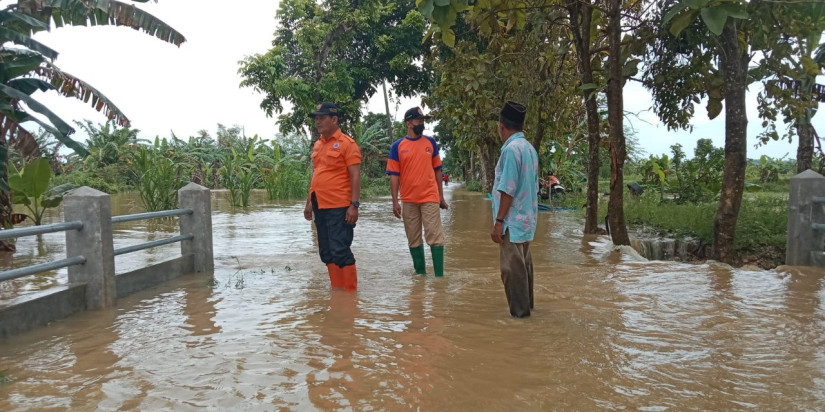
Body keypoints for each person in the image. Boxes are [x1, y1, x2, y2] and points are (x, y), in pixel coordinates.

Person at [303, 102, 362, 291]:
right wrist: (309, 202)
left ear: (334, 119)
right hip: (319, 204)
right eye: (316, 118)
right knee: (326, 252)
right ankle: (337, 292)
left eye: (322, 118)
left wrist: (354, 205)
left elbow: (355, 176)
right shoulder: (319, 144)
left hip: (340, 206)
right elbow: (316, 175)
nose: (318, 122)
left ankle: (351, 294)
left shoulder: (348, 144)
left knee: (340, 250)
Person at [386, 106, 449, 277]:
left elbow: (437, 170)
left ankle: (439, 278)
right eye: (418, 121)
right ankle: (420, 275)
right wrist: (395, 201)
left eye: (423, 121)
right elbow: (394, 175)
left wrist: (440, 197)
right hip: (408, 200)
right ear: (408, 123)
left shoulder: (431, 143)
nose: (421, 123)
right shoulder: (397, 146)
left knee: (435, 237)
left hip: (429, 197)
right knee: (413, 238)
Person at [490, 100, 539, 318]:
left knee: (511, 269)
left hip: (512, 220)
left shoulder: (510, 150)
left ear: (501, 126)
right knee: (524, 265)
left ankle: (520, 317)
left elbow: (507, 189)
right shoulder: (529, 148)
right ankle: (529, 309)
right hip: (527, 219)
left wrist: (499, 221)